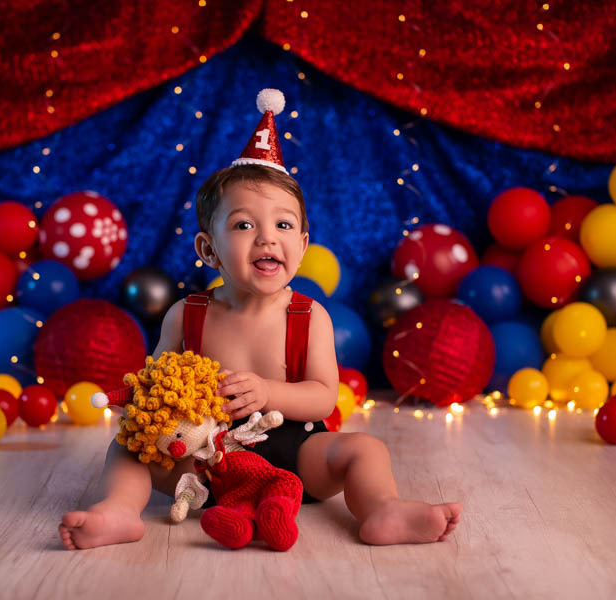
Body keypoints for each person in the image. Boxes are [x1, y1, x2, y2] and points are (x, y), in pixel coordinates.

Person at [59, 89, 460, 550]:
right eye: (244, 225)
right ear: (208, 249)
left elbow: (322, 397)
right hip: (205, 459)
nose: (267, 238)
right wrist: (143, 409)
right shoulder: (187, 315)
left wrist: (269, 393)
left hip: (295, 455)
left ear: (304, 246)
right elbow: (155, 384)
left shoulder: (309, 317)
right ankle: (119, 511)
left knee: (366, 449)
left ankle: (382, 510)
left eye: (284, 226)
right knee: (127, 449)